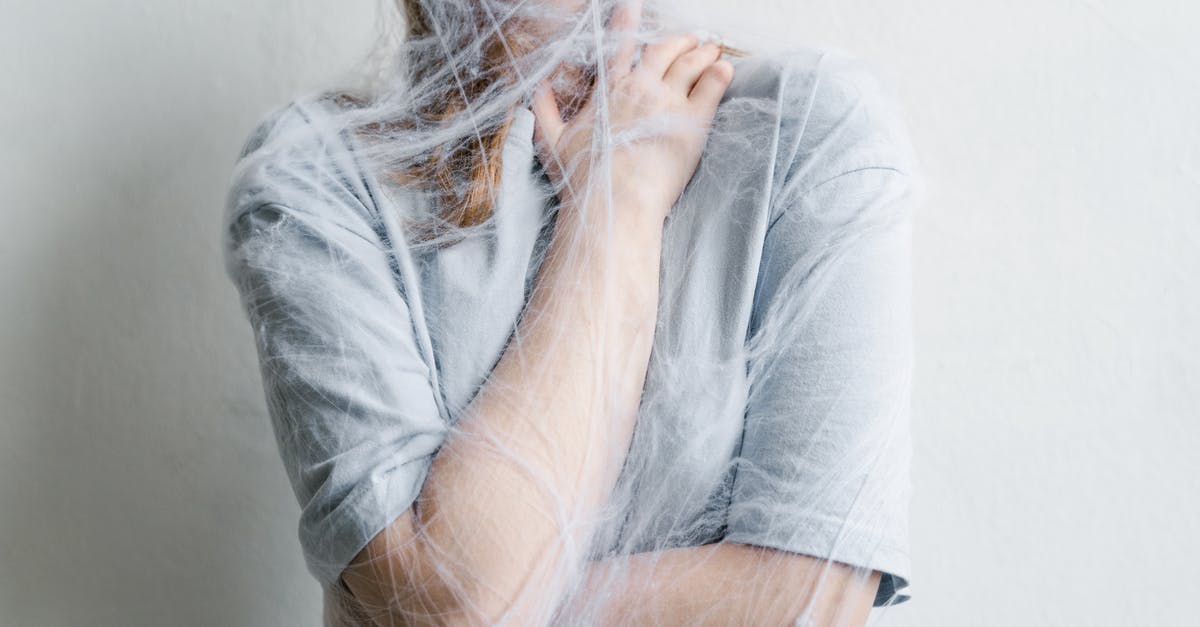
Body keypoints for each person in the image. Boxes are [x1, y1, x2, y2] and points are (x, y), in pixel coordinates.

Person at [221, 0, 921, 624]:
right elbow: (447, 608)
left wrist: (492, 592)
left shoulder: (806, 131)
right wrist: (619, 209)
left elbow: (811, 596)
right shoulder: (317, 173)